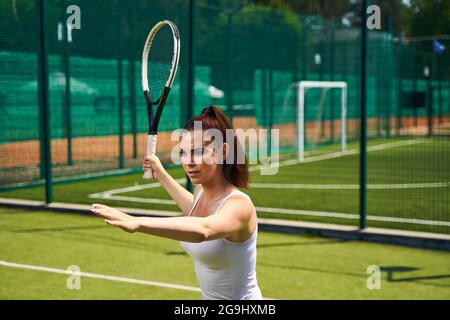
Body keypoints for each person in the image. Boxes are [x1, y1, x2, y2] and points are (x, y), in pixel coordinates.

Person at [91, 105, 263, 300]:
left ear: (223, 151)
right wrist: (162, 174)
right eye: (183, 152)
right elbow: (195, 211)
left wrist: (137, 222)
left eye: (198, 151)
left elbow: (203, 229)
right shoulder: (201, 193)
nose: (188, 162)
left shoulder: (240, 206)